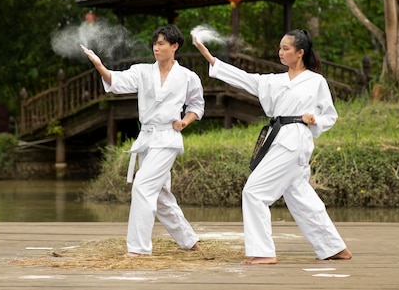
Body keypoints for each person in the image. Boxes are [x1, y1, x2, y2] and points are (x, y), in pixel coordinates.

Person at [192, 28, 352, 265]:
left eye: (285, 48)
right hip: (279, 139)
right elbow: (245, 78)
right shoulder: (274, 81)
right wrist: (210, 58)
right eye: (280, 48)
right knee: (300, 196)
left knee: (254, 192)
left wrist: (315, 119)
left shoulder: (316, 81)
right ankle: (334, 248)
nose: (280, 52)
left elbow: (330, 114)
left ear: (299, 52)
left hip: (296, 139)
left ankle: (263, 252)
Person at [81, 24, 204, 257]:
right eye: (154, 44)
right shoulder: (142, 71)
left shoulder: (188, 76)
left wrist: (184, 122)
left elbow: (197, 106)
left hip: (168, 138)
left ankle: (138, 249)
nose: (156, 48)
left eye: (161, 44)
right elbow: (116, 82)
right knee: (159, 195)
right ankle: (190, 241)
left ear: (174, 46)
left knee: (143, 186)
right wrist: (99, 65)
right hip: (147, 138)